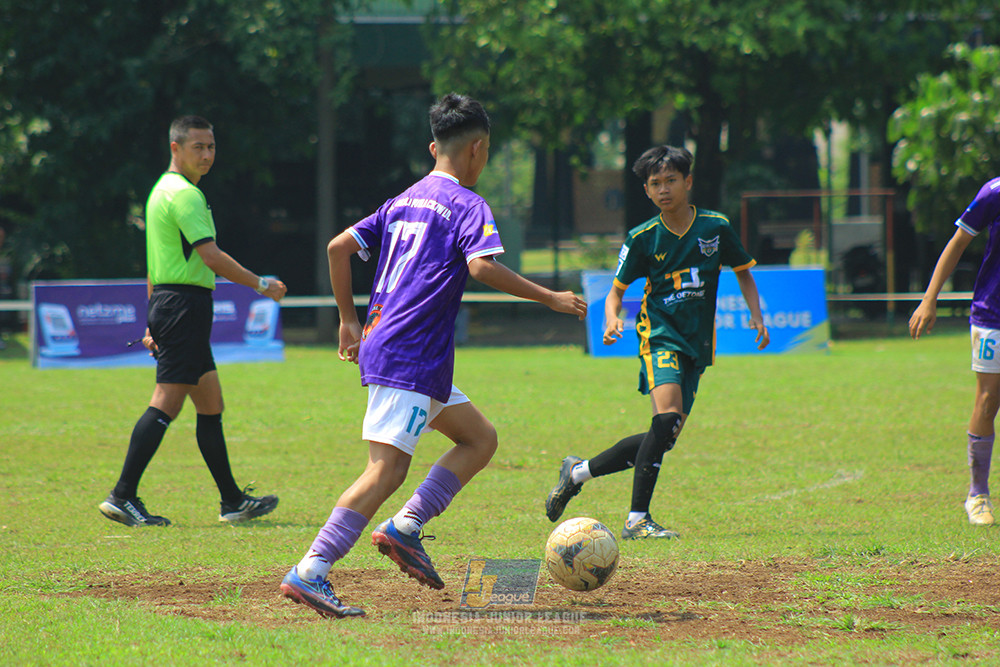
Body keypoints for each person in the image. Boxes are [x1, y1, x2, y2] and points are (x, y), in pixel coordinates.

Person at [279, 93, 587, 618]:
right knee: (386, 470)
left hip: (400, 346)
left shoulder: (403, 200)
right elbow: (483, 268)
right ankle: (311, 571)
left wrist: (348, 319)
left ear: (432, 147)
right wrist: (551, 297)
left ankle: (404, 527)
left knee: (479, 438)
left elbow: (337, 249)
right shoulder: (469, 204)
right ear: (478, 149)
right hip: (411, 351)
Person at [545, 145, 769, 539]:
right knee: (665, 420)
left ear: (688, 182)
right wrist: (613, 316)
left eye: (670, 181)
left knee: (665, 437)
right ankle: (636, 521)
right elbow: (616, 292)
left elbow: (742, 271)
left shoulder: (715, 227)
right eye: (654, 184)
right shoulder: (642, 237)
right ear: (647, 192)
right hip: (658, 334)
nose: (663, 189)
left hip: (696, 344)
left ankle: (577, 472)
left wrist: (756, 313)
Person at [98, 115, 287, 527]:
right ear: (175, 148)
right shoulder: (184, 195)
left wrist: (152, 320)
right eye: (197, 147)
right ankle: (122, 495)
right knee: (166, 401)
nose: (206, 155)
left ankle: (233, 502)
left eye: (211, 147)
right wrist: (261, 285)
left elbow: (155, 266)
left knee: (210, 402)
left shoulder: (160, 192)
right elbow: (211, 256)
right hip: (183, 306)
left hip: (175, 305)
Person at [909, 175, 1000, 527]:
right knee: (988, 400)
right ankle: (977, 494)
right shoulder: (994, 192)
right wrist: (930, 299)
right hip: (993, 313)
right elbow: (958, 242)